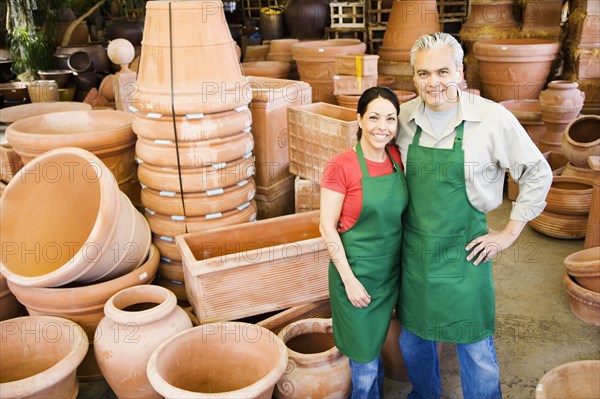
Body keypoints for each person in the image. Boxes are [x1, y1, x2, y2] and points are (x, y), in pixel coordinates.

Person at [395, 32, 553, 399]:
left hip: (467, 250)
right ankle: (425, 394)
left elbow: (537, 172)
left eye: (443, 72)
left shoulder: (492, 118)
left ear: (461, 72)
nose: (434, 83)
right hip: (415, 249)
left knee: (474, 343)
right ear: (414, 77)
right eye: (423, 74)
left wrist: (510, 232)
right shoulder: (400, 118)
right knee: (414, 338)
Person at [320, 86, 408, 398]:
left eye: (390, 118)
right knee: (365, 362)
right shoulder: (340, 165)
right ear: (359, 119)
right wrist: (349, 281)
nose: (382, 126)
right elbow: (327, 228)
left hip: (389, 276)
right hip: (355, 276)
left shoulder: (397, 158)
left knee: (377, 348)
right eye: (373, 117)